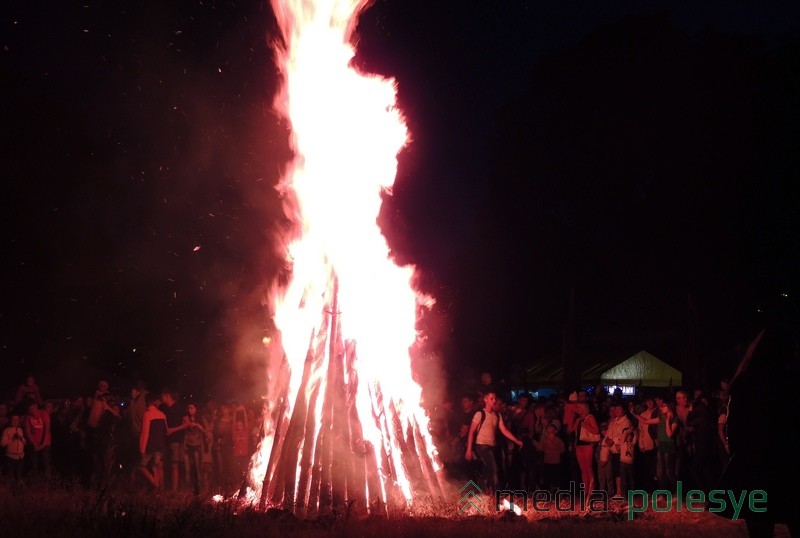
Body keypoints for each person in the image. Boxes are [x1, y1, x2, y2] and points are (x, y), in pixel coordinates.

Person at [717, 325, 799, 538]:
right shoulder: (790, 381)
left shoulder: (745, 383)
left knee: (760, 527)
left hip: (755, 466)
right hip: (787, 464)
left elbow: (735, 428)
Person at [465, 391, 524, 496]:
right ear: (485, 399)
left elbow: (504, 430)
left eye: (495, 399)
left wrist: (516, 440)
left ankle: (483, 494)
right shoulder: (480, 414)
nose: (494, 401)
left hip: (492, 447)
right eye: (491, 398)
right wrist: (469, 449)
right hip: (482, 446)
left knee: (487, 472)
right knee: (494, 469)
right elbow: (471, 432)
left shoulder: (497, 415)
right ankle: (498, 496)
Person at [567, 401, 600, 494]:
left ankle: (591, 490)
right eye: (577, 407)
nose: (577, 409)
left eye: (579, 407)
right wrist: (571, 418)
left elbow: (596, 431)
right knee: (583, 469)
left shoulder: (590, 417)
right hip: (579, 445)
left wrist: (586, 425)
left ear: (585, 408)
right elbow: (570, 430)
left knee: (588, 467)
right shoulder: (578, 419)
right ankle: (586, 490)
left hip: (587, 445)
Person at [139, 393, 167, 491]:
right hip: (160, 445)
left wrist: (142, 448)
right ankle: (159, 489)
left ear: (146, 402)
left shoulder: (147, 414)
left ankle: (155, 483)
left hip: (150, 445)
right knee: (155, 466)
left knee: (142, 466)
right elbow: (165, 431)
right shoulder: (162, 414)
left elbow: (145, 432)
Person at [2, 413, 26, 485]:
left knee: (19, 474)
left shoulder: (20, 429)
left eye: (17, 420)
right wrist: (12, 439)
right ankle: (10, 489)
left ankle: (19, 487)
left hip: (20, 456)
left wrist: (22, 439)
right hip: (11, 456)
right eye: (13, 420)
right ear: (10, 420)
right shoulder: (7, 430)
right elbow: (2, 443)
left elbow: (25, 442)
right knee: (11, 475)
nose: (15, 421)